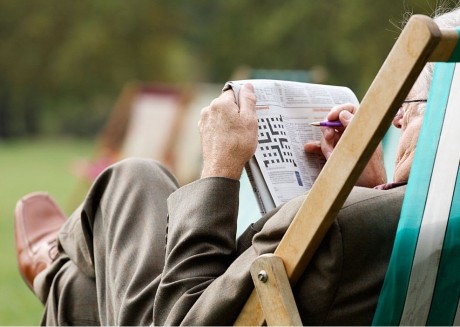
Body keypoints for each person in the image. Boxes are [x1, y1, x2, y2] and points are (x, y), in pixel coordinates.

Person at [14, 8, 460, 326]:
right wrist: (365, 187)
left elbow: (180, 315)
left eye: (413, 105)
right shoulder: (421, 225)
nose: (397, 118)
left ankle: (54, 266)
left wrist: (220, 169)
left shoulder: (343, 228)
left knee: (133, 180)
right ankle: (60, 273)